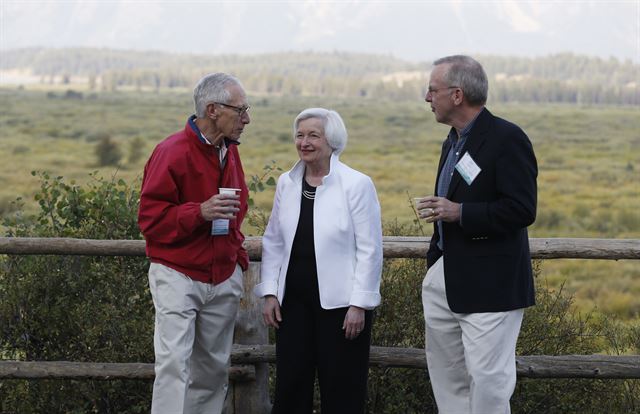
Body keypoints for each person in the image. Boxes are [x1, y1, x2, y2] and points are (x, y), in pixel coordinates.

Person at [416, 55, 537, 414]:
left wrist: (459, 212)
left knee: (488, 381)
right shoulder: (451, 141)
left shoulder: (507, 138)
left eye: (432, 90)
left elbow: (522, 209)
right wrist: (434, 264)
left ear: (457, 95)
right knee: (447, 378)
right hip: (446, 277)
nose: (427, 97)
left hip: (491, 286)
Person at [254, 108, 383, 414]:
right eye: (300, 135)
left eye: (313, 135)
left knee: (342, 391)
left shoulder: (356, 184)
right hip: (292, 305)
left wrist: (359, 305)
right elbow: (273, 240)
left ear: (332, 140)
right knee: (290, 388)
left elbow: (370, 249)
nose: (304, 142)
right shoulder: (287, 182)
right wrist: (270, 292)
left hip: (341, 308)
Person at [138, 72, 251, 414]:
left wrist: (236, 259)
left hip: (220, 276)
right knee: (174, 366)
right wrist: (199, 212)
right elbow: (150, 220)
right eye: (241, 110)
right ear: (213, 109)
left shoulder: (228, 152)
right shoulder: (171, 152)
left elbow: (238, 208)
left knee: (213, 370)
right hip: (178, 275)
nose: (247, 118)